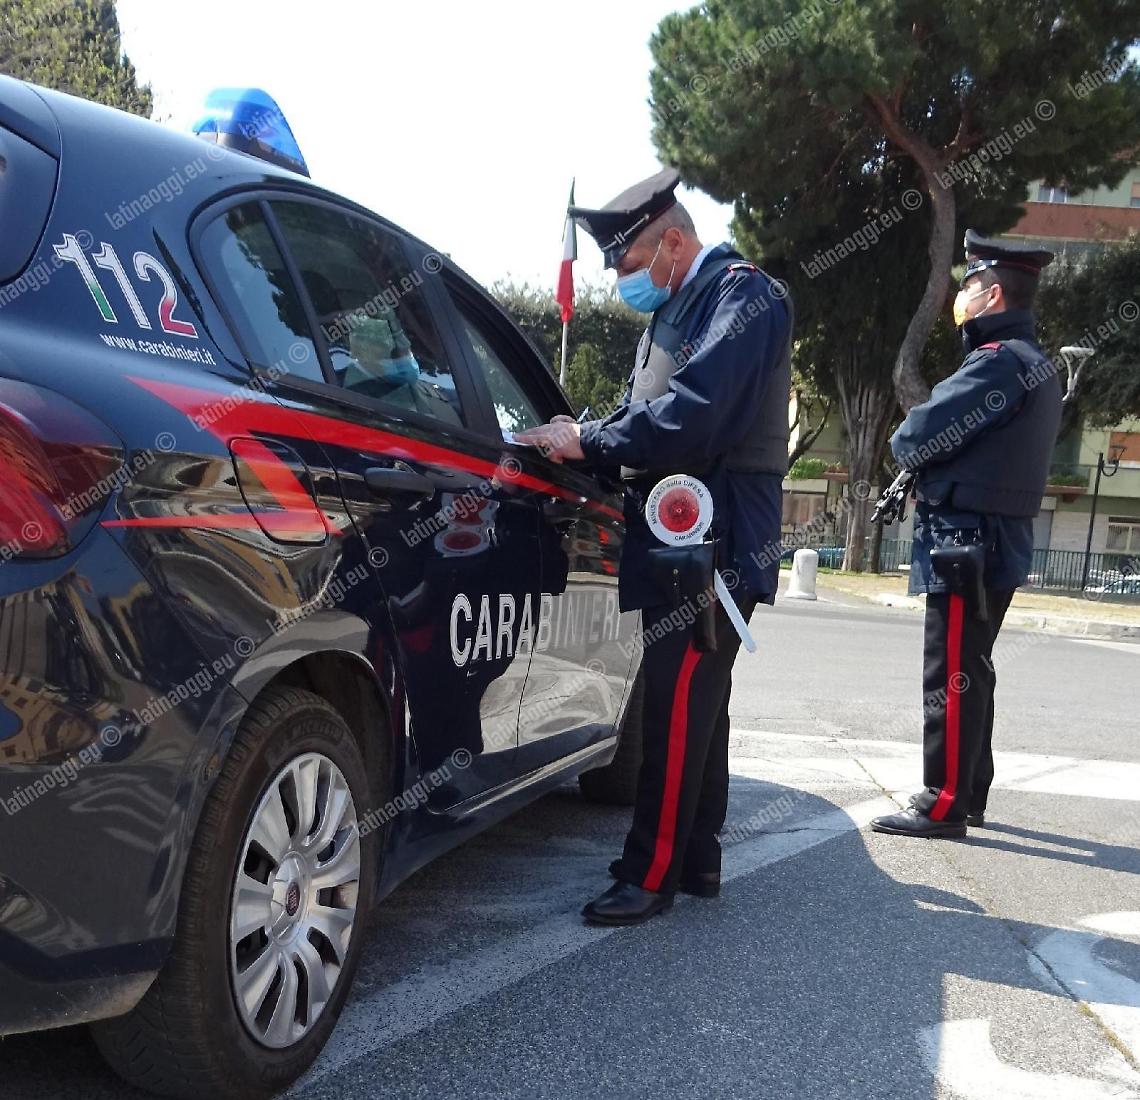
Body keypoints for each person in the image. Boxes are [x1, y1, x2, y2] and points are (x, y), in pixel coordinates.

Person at [515, 167, 793, 924]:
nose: (625, 281)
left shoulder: (743, 296)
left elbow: (692, 418)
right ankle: (695, 856)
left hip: (714, 539)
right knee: (699, 704)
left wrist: (588, 443)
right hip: (685, 539)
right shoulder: (681, 306)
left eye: (631, 265)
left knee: (676, 706)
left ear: (673, 241)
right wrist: (580, 435)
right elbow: (646, 406)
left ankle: (651, 874)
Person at [871, 230, 1062, 839]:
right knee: (971, 666)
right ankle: (969, 788)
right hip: (989, 541)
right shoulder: (1036, 364)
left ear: (996, 293)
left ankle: (945, 798)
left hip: (965, 542)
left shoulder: (999, 363)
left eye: (970, 285)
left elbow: (913, 436)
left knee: (950, 668)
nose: (962, 295)